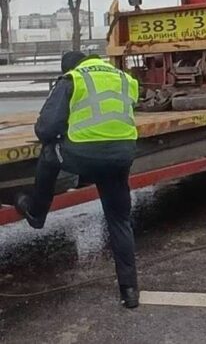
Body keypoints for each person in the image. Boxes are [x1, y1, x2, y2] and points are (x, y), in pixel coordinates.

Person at [15, 51, 141, 308]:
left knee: (50, 152)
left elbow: (46, 129)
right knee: (119, 220)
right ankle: (129, 290)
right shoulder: (124, 78)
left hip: (83, 156)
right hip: (121, 156)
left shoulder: (72, 79)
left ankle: (37, 212)